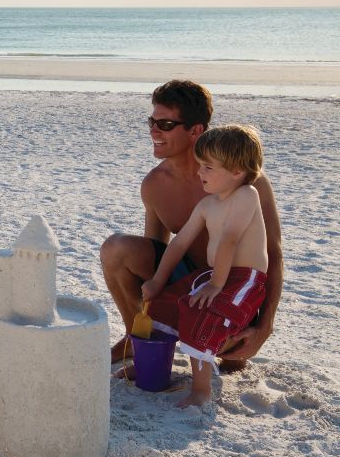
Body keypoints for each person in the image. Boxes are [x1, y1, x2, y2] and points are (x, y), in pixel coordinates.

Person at [100, 80, 282, 372]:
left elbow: (273, 252)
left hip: (232, 290)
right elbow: (157, 253)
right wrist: (156, 303)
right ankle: (138, 336)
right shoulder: (155, 184)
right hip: (190, 285)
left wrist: (264, 326)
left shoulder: (246, 182)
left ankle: (220, 338)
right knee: (116, 249)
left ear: (196, 130)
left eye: (165, 123)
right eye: (152, 121)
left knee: (229, 355)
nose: (154, 130)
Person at [140, 125, 268, 407]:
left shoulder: (247, 195)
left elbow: (230, 240)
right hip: (214, 275)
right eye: (200, 166)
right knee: (164, 303)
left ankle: (201, 390)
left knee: (203, 315)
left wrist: (217, 284)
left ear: (236, 171)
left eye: (208, 167)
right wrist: (159, 280)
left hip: (243, 279)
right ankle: (151, 368)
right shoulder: (207, 205)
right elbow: (178, 244)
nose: (200, 173)